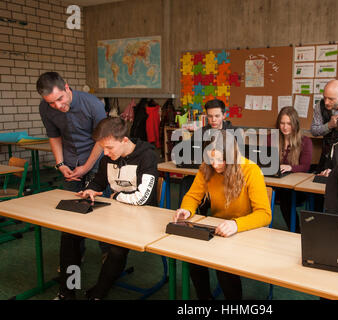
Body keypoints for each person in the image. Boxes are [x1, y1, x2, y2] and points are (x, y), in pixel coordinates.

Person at [55, 117, 159, 300]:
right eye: (102, 147)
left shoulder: (147, 156)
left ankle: (98, 293)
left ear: (124, 140)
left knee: (117, 249)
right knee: (69, 234)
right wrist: (91, 190)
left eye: (109, 147)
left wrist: (117, 196)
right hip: (114, 212)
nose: (105, 152)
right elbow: (99, 182)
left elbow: (144, 198)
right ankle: (67, 291)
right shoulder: (108, 158)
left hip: (142, 217)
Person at [173, 130, 271, 300]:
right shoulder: (207, 168)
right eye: (211, 159)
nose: (215, 164)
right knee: (193, 259)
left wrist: (236, 224)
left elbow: (264, 214)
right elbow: (192, 196)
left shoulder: (251, 170)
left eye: (221, 159)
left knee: (223, 268)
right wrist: (187, 210)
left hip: (245, 230)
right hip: (219, 228)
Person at [37, 72, 108, 268]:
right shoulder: (45, 108)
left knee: (101, 210)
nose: (57, 106)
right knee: (70, 212)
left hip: (95, 161)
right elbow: (54, 136)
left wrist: (86, 167)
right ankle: (74, 257)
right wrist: (60, 164)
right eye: (51, 103)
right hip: (69, 162)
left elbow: (103, 140)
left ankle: (108, 255)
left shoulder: (92, 104)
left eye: (59, 99)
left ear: (67, 88)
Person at [177, 99, 236, 209]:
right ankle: (183, 215)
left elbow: (240, 158)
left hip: (226, 175)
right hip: (206, 172)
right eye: (210, 116)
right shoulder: (201, 132)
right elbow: (188, 151)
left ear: (224, 115)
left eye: (217, 116)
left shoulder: (234, 133)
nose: (213, 120)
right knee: (186, 182)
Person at [275, 107, 312, 233]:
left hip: (294, 188)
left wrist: (291, 167)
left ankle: (296, 231)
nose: (285, 127)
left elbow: (305, 167)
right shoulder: (271, 138)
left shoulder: (305, 141)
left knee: (286, 197)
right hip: (275, 183)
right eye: (282, 123)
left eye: (289, 123)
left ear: (295, 124)